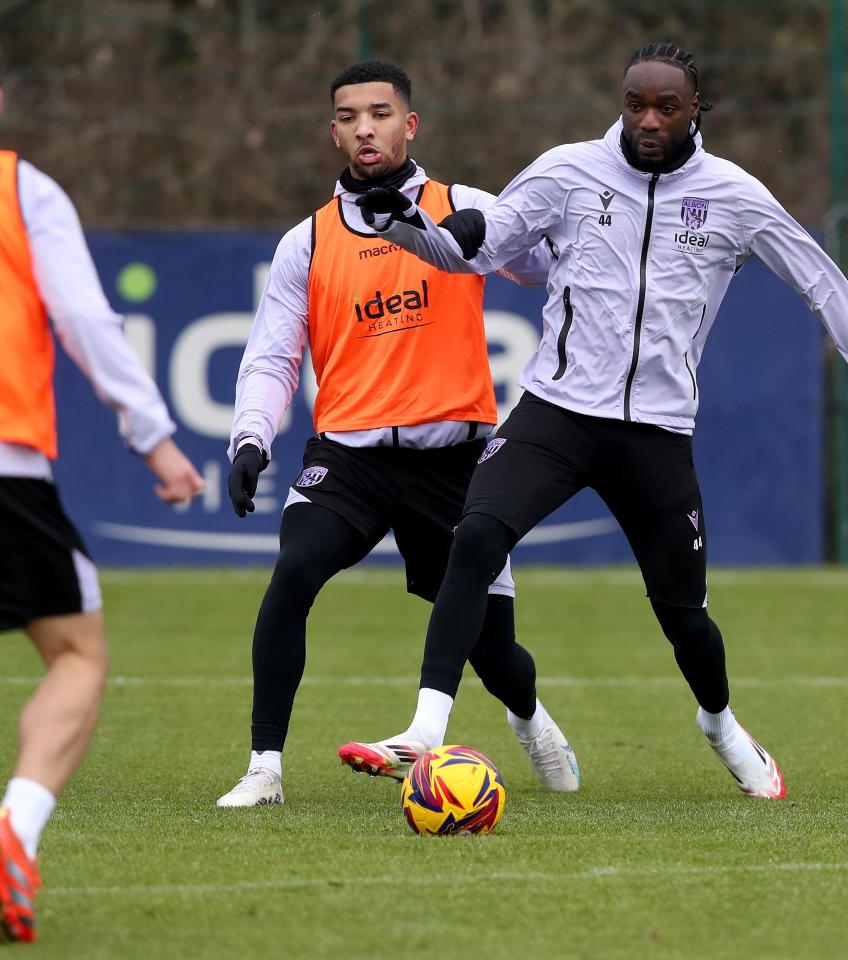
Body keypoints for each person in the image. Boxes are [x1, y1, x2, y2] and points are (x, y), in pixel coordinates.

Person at [340, 42, 848, 798]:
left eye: (667, 107)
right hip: (558, 412)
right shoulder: (567, 172)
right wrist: (399, 227)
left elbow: (825, 289)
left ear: (697, 110)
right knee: (473, 537)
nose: (648, 120)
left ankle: (721, 724)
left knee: (684, 618)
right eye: (636, 103)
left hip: (656, 434)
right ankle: (426, 729)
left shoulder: (734, 196)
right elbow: (473, 252)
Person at [0, 23, 205, 942]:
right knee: (76, 655)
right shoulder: (20, 186)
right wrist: (154, 440)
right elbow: (83, 319)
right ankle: (14, 826)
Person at [217, 60, 580, 809]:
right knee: (292, 578)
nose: (365, 128)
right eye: (349, 116)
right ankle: (264, 768)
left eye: (380, 113)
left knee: (497, 653)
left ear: (409, 125)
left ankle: (531, 717)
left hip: (455, 463)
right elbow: (273, 356)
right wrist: (250, 440)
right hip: (348, 460)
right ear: (334, 133)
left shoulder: (462, 206)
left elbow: (547, 268)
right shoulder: (307, 242)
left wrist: (502, 236)